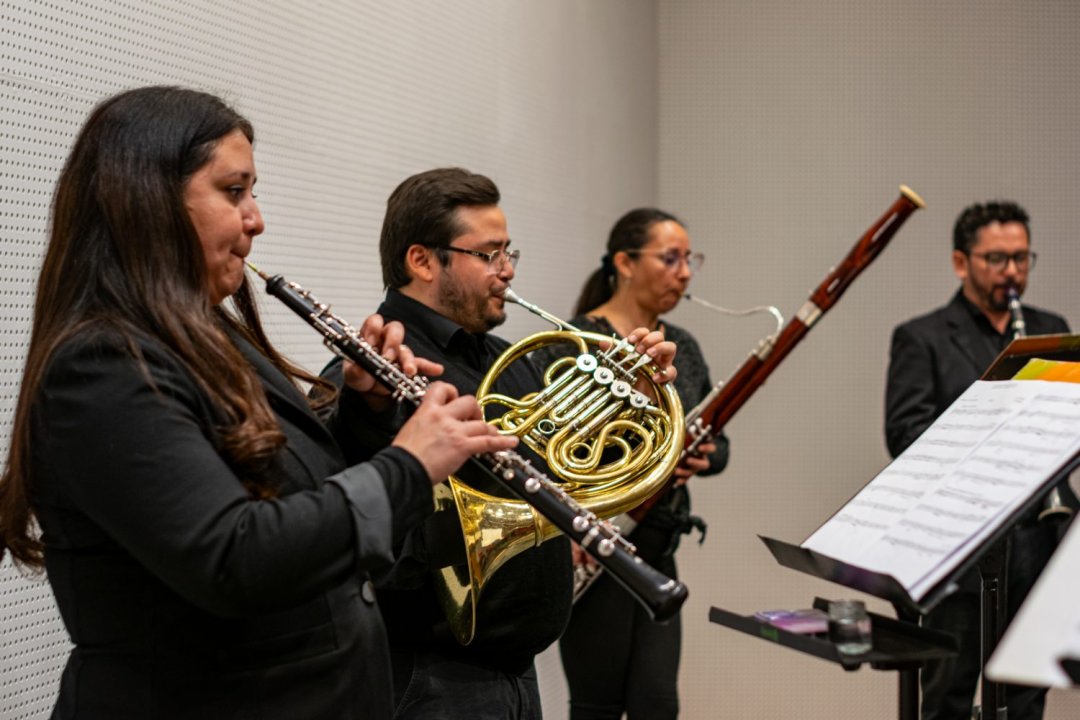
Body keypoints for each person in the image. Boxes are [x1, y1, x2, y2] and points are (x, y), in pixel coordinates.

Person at [0, 87, 518, 720]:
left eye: (254, 191)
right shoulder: (102, 363)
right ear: (149, 198)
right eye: (234, 191)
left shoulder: (207, 334)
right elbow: (234, 558)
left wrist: (365, 411)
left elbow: (293, 496)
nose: (257, 219)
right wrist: (409, 467)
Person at [322, 168, 678, 720]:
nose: (507, 271)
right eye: (488, 255)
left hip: (515, 674)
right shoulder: (371, 377)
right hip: (429, 678)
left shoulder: (502, 360)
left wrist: (628, 400)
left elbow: (566, 475)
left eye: (509, 252)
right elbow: (364, 541)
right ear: (422, 261)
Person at [885, 200, 1071, 720]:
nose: (1011, 271)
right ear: (960, 262)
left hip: (1037, 538)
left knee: (1028, 695)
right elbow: (904, 435)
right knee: (949, 690)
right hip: (958, 549)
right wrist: (991, 442)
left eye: (1021, 257)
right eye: (996, 259)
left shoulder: (1050, 329)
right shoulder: (922, 337)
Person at [548, 208, 729, 720]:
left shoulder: (684, 346)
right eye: (670, 258)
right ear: (625, 263)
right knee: (597, 707)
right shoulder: (579, 339)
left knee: (657, 706)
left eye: (689, 259)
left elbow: (720, 443)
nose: (686, 272)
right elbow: (551, 445)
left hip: (657, 544)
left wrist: (704, 454)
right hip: (596, 548)